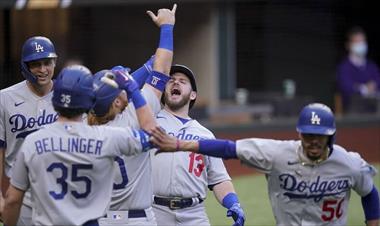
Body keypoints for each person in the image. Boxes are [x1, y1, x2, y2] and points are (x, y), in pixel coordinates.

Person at [150, 103, 380, 226]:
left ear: (330, 136)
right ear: (300, 134)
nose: (313, 141)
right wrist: (181, 145)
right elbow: (228, 149)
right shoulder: (277, 154)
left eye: (319, 136)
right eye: (308, 135)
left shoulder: (349, 163)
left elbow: (370, 192)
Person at [3, 65, 158, 226]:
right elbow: (152, 135)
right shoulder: (103, 137)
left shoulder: (33, 141)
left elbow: (13, 200)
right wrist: (132, 88)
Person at [88, 4, 176, 226]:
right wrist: (167, 27)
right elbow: (162, 71)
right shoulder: (136, 114)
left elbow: (105, 94)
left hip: (99, 218)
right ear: (118, 100)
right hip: (138, 219)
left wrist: (132, 75)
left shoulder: (83, 123)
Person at [150, 64, 245, 226]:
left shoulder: (205, 134)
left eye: (182, 81)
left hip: (194, 214)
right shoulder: (150, 122)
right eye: (171, 80)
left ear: (193, 95)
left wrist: (233, 203)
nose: (176, 83)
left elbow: (219, 179)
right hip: (155, 212)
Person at [0, 36, 58, 225]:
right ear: (25, 66)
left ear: (55, 62)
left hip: (60, 193)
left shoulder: (68, 95)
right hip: (20, 195)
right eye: (35, 64)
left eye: (47, 63)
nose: (42, 70)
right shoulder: (4, 98)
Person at [337, 26, 380, 112]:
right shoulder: (344, 67)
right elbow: (346, 88)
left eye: (362, 41)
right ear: (348, 45)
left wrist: (373, 86)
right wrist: (364, 89)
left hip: (375, 109)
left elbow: (377, 81)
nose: (360, 45)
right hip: (354, 112)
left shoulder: (371, 66)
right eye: (357, 42)